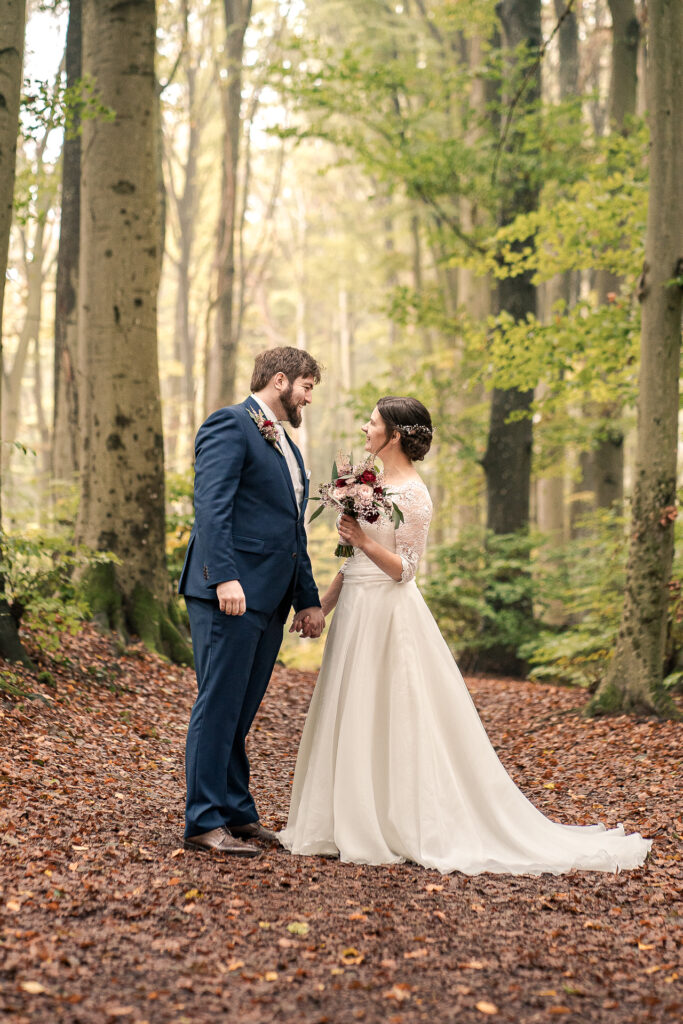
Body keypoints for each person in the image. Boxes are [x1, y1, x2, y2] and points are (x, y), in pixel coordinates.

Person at [279, 396, 652, 874]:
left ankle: (391, 821)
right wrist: (321, 606)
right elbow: (351, 565)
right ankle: (339, 819)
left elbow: (405, 571)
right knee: (348, 707)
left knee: (389, 711)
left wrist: (363, 539)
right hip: (355, 612)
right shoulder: (368, 485)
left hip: (388, 617)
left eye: (372, 423)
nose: (365, 429)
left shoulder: (414, 495)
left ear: (395, 435)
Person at [179, 347, 325, 857]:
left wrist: (308, 599)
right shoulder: (229, 424)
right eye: (306, 386)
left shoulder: (289, 448)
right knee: (219, 705)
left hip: (269, 598)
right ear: (280, 380)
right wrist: (224, 578)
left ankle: (237, 813)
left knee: (240, 711)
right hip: (230, 593)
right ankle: (203, 821)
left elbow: (293, 532)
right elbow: (211, 507)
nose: (309, 397)